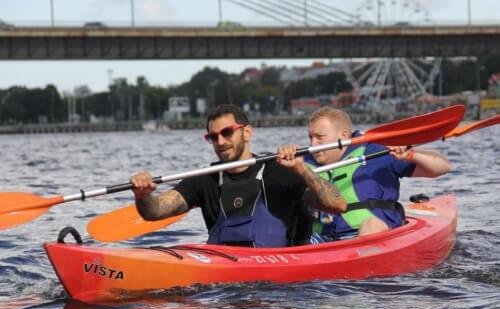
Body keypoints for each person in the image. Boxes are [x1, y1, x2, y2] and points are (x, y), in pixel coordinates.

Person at [130, 104, 346, 247]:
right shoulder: (206, 178)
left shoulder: (280, 171)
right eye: (213, 137)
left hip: (282, 289)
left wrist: (301, 169)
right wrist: (143, 195)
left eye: (227, 132)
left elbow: (336, 205)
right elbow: (155, 211)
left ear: (247, 132)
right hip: (227, 289)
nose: (221, 142)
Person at [305, 107, 451, 242]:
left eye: (319, 137)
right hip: (325, 239)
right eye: (310, 137)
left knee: (371, 224)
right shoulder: (303, 164)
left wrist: (410, 154)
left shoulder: (376, 152)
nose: (312, 144)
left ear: (343, 135)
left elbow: (442, 167)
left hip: (374, 233)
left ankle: (357, 264)